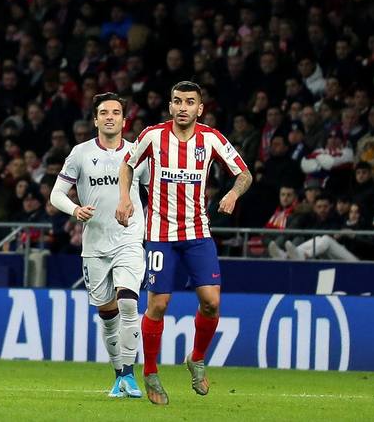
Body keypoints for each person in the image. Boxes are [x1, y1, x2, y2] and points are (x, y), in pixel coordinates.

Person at [116, 81, 251, 406]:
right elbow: (127, 164)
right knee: (158, 306)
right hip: (161, 236)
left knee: (211, 303)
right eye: (177, 101)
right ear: (171, 105)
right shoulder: (153, 135)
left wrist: (233, 194)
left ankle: (197, 358)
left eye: (189, 102)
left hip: (197, 235)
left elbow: (244, 174)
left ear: (199, 108)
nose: (182, 107)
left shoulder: (211, 139)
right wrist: (125, 198)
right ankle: (149, 371)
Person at [51, 93, 150, 399]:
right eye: (104, 112)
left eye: (116, 112)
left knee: (129, 302)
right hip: (94, 244)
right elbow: (57, 194)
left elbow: (155, 192)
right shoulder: (80, 154)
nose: (110, 116)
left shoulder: (137, 153)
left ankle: (131, 376)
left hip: (130, 238)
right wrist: (75, 210)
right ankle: (119, 375)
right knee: (107, 316)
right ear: (95, 120)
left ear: (124, 120)